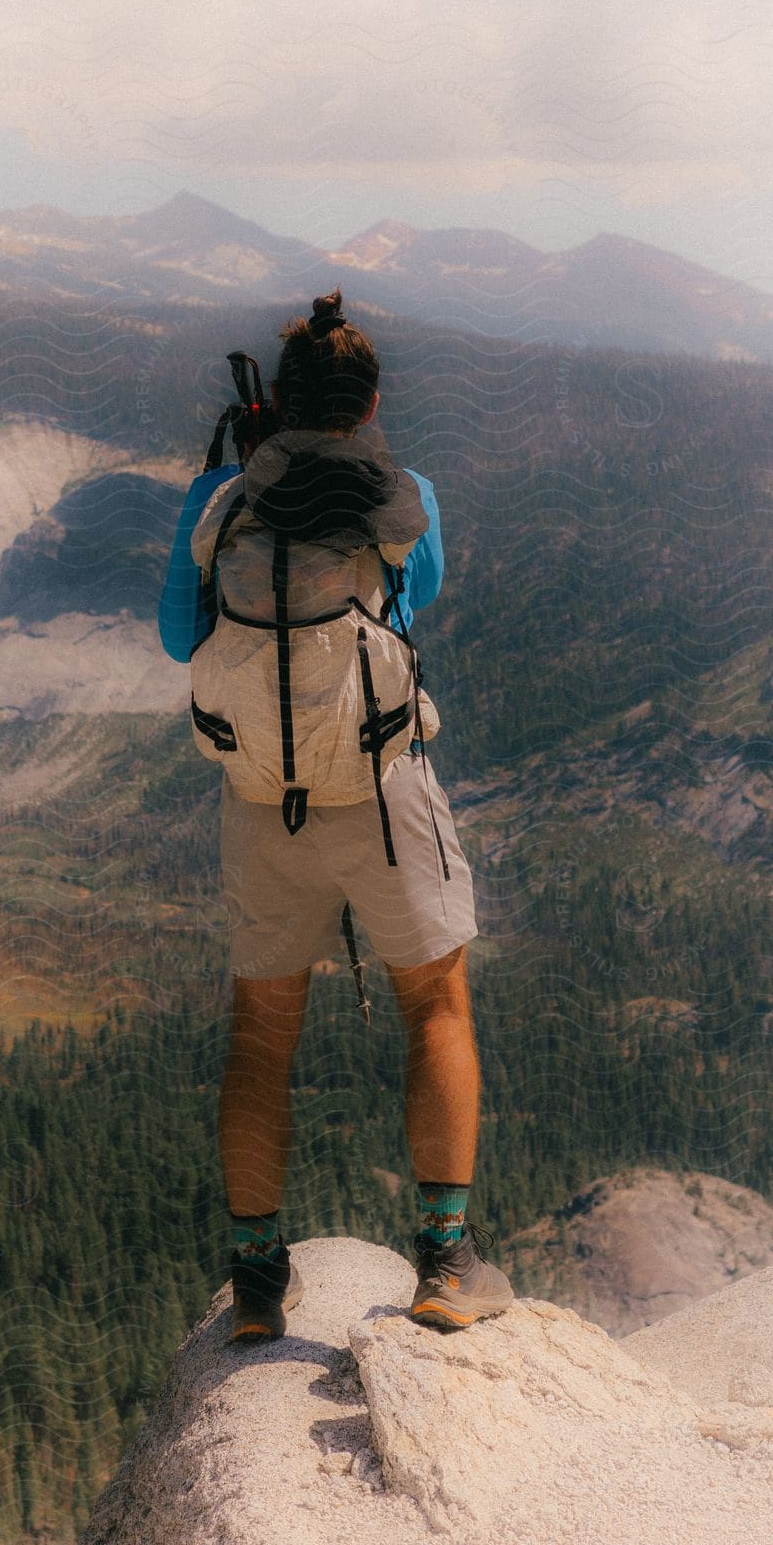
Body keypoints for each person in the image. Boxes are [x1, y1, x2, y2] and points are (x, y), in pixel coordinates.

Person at [157, 287, 513, 1340]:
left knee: (263, 1039)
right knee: (436, 1007)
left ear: (277, 404)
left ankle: (261, 1277)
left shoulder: (220, 500)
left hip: (263, 800)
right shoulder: (406, 496)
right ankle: (445, 1263)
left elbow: (183, 640)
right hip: (383, 791)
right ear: (367, 405)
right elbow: (417, 602)